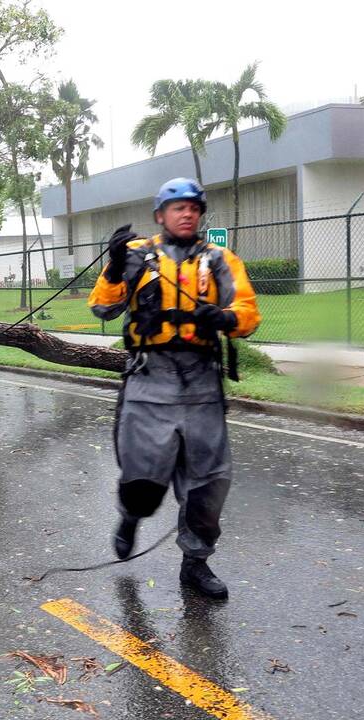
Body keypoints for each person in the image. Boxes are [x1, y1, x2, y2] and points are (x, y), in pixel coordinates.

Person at [88, 177, 261, 599]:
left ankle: (195, 565)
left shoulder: (220, 259)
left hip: (201, 382)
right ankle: (131, 516)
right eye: (177, 207)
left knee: (209, 483)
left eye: (193, 208)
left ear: (200, 214)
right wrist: (112, 266)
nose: (187, 213)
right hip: (149, 379)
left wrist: (222, 319)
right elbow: (102, 307)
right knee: (144, 478)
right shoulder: (135, 256)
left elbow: (247, 313)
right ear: (160, 215)